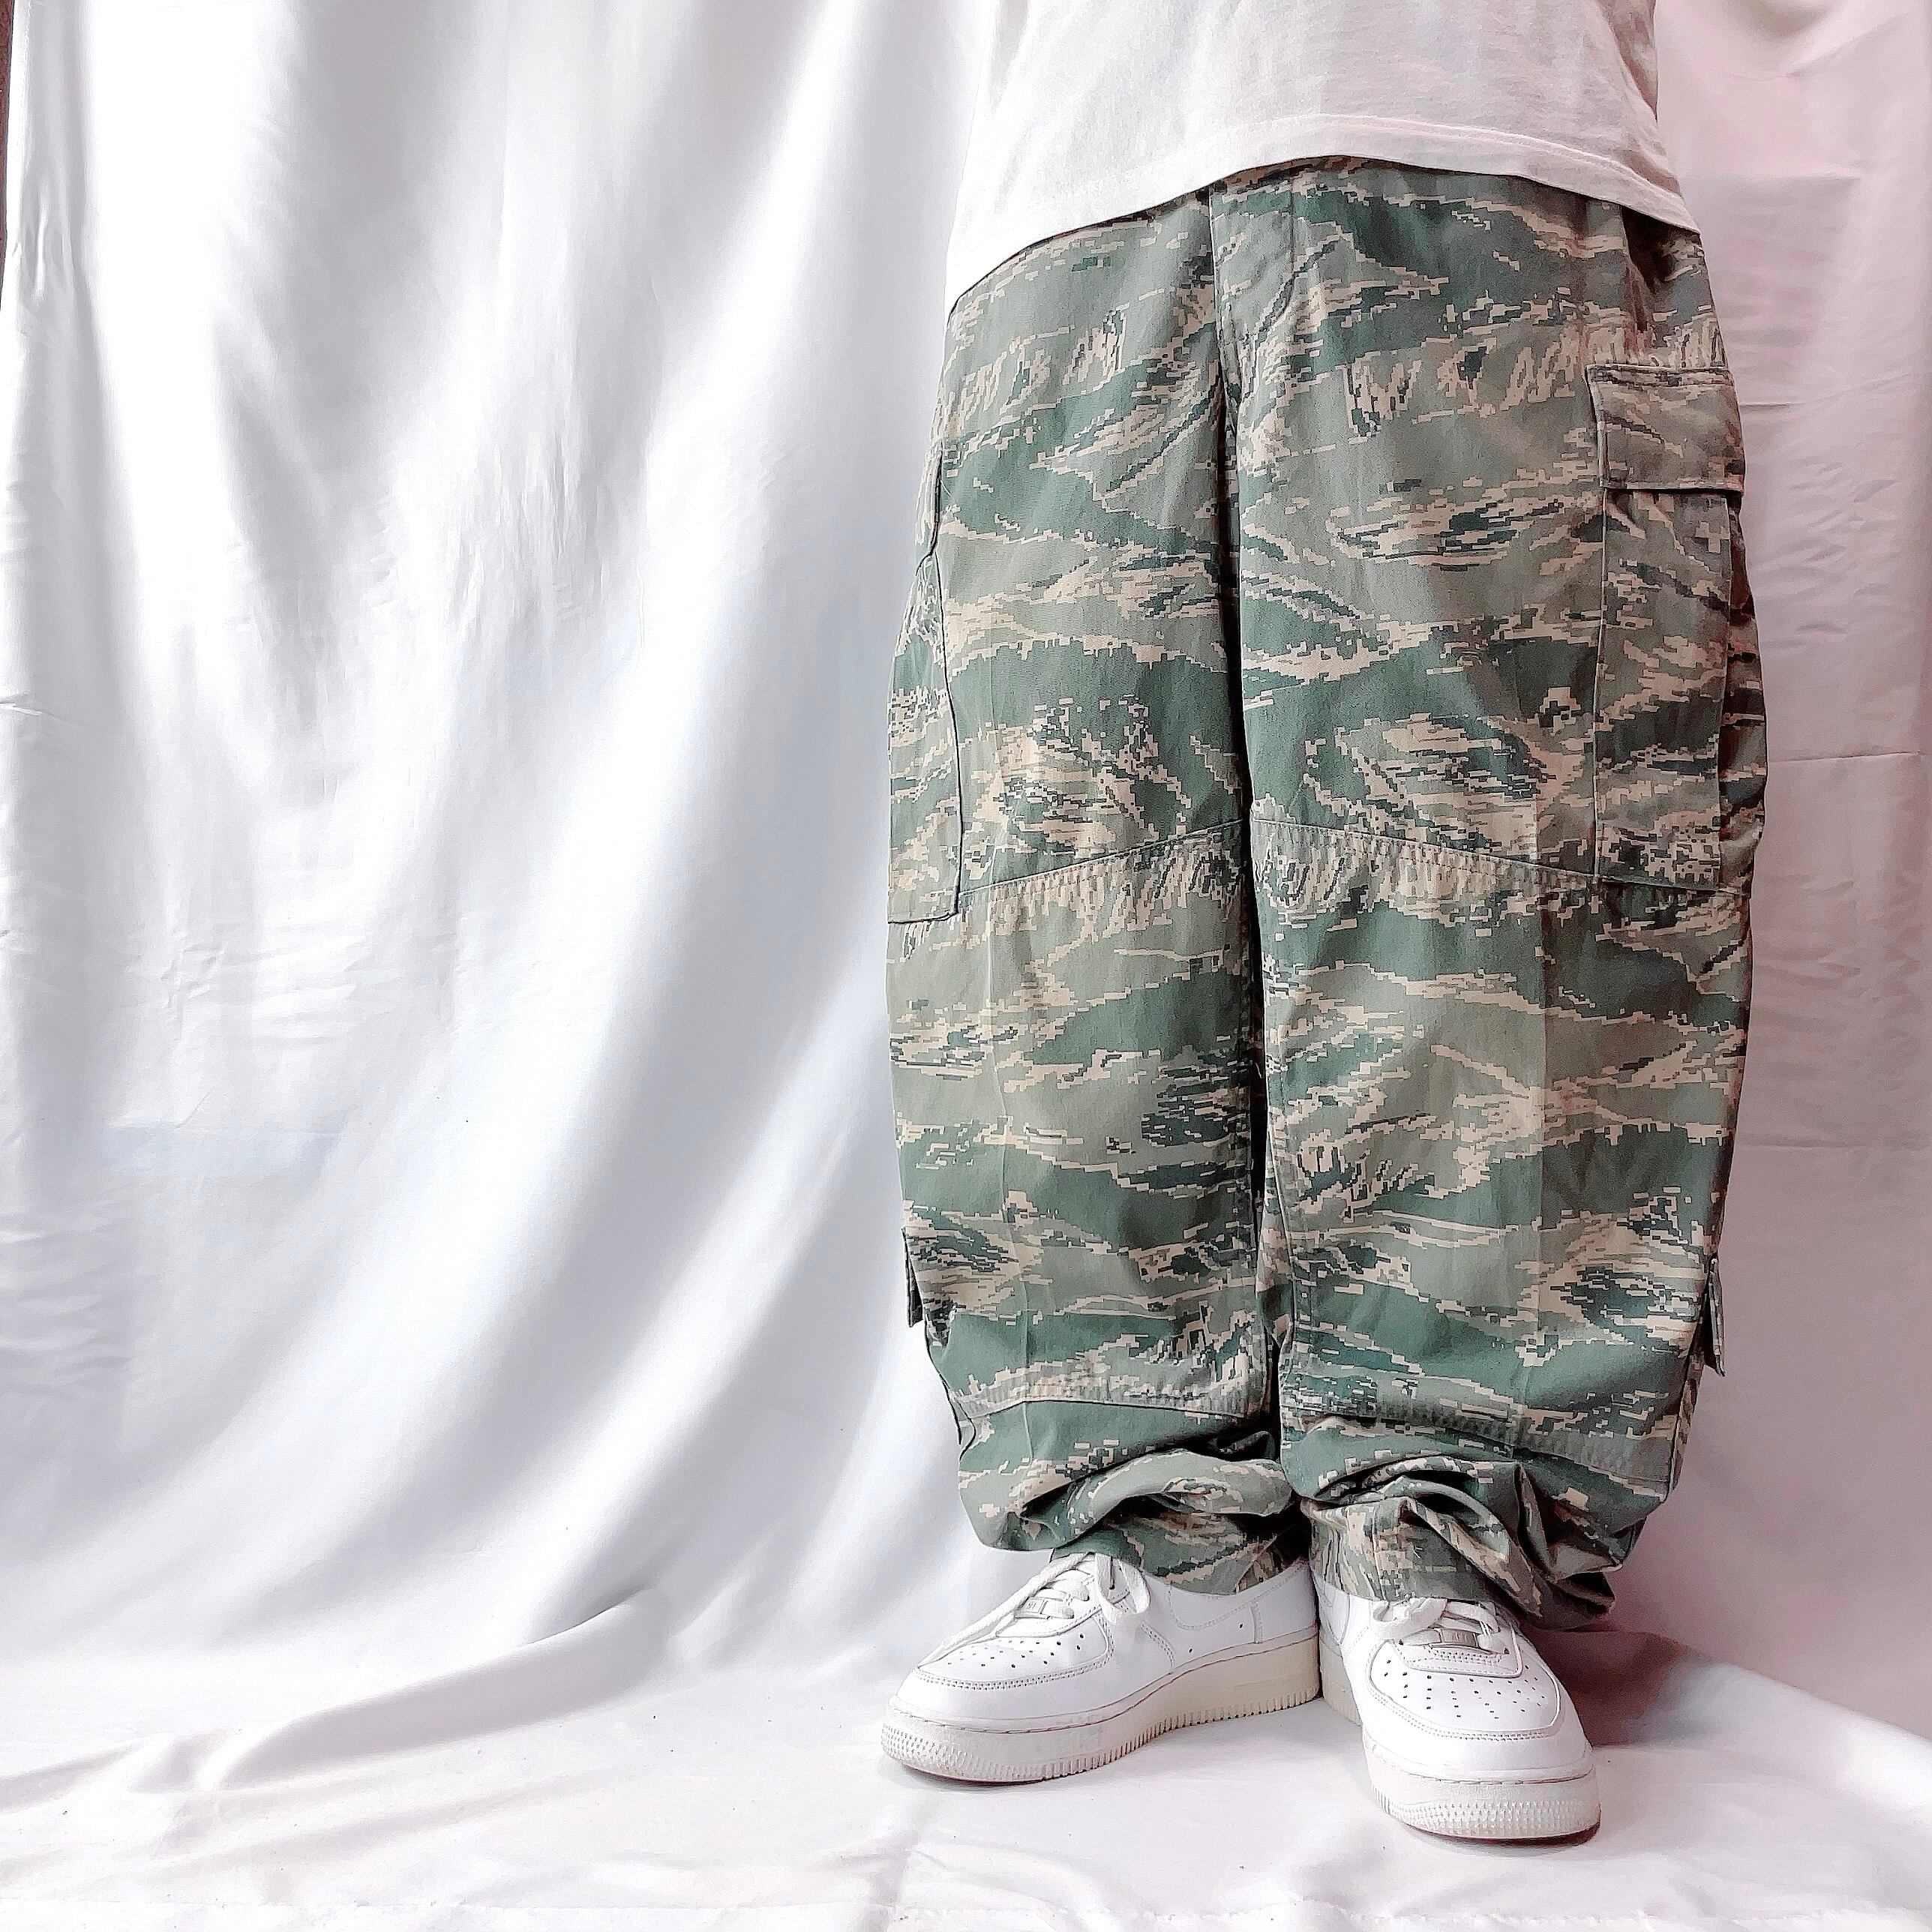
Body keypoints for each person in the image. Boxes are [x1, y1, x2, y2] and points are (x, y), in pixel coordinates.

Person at [878, 0, 1766, 1843]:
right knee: (1058, 898)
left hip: (1484, 145)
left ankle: (1438, 1533)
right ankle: (1168, 1539)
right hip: (1075, 192)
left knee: (1504, 871)